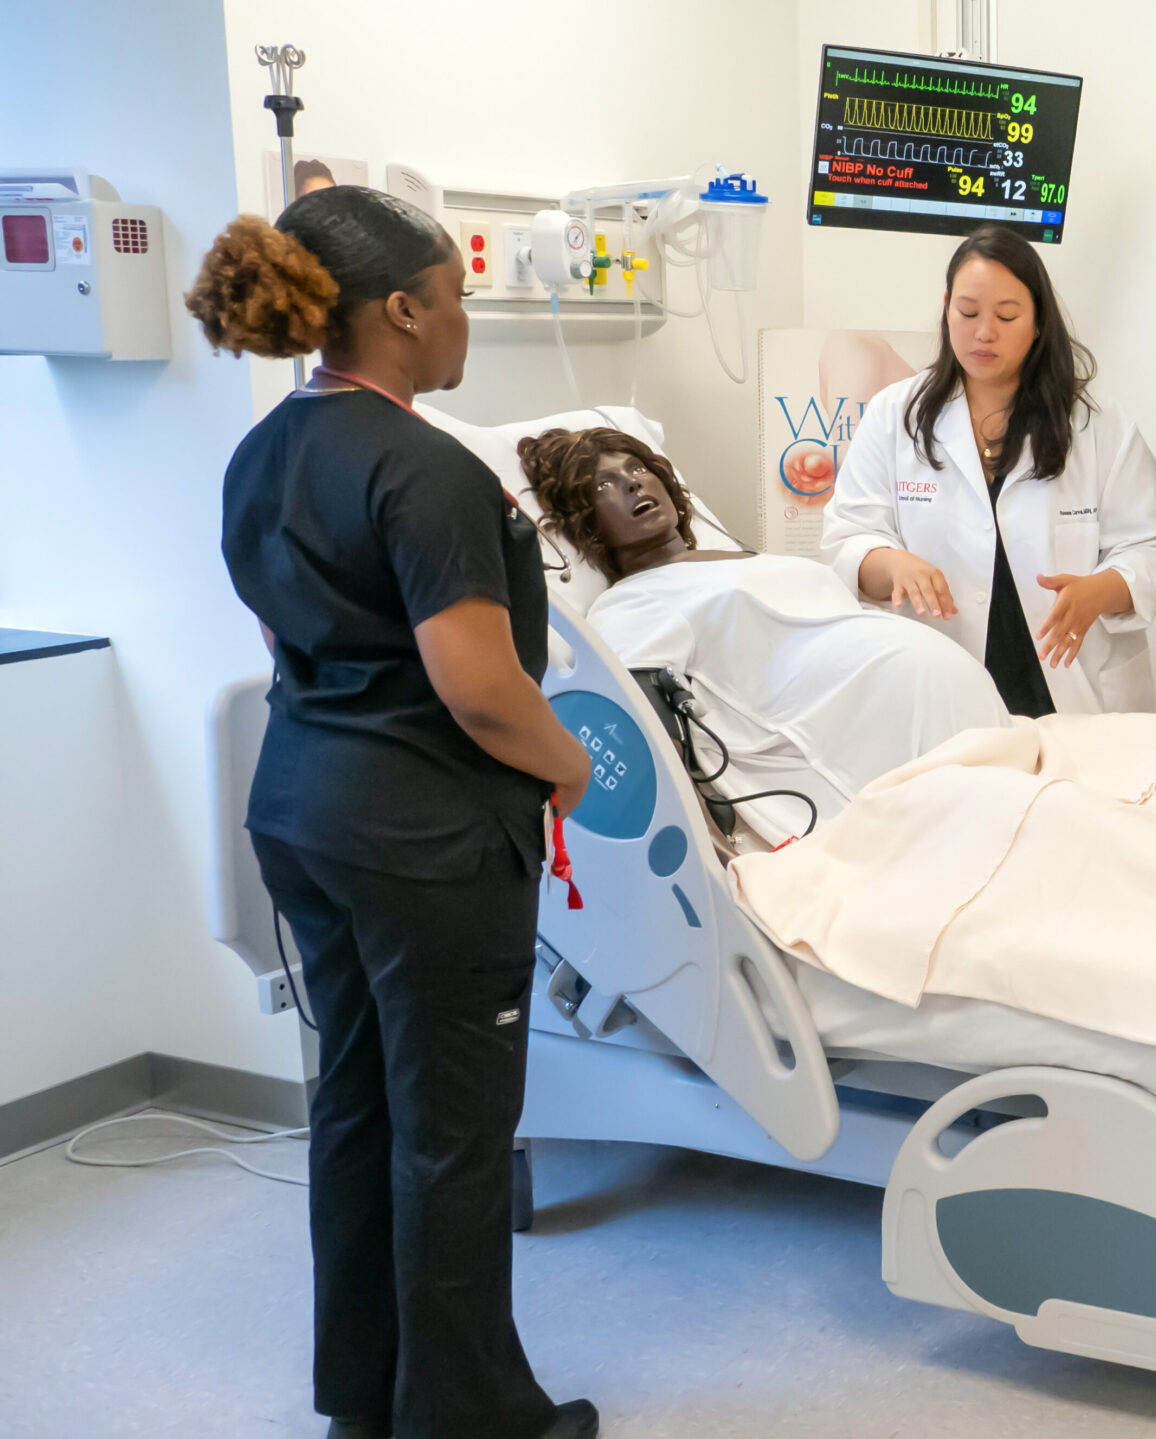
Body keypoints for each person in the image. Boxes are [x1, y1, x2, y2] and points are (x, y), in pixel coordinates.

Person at [187, 187, 601, 1439]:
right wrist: (565, 763)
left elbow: (280, 635)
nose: (467, 317)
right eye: (457, 294)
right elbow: (480, 688)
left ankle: (364, 1396)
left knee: (358, 1107)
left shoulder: (263, 453)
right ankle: (471, 1417)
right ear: (404, 309)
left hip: (303, 811)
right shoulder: (424, 468)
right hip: (425, 841)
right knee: (455, 1136)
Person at [520, 425, 1008, 840]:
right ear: (588, 525)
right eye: (605, 486)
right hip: (868, 764)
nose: (631, 485)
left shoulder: (746, 556)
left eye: (637, 469)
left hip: (948, 724)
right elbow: (646, 736)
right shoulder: (632, 601)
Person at [821, 224, 1156, 716]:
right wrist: (892, 563)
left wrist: (1099, 591)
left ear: (1038, 319)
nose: (983, 332)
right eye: (967, 312)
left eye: (1007, 315)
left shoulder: (1093, 423)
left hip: (1068, 687)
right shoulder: (895, 415)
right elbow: (847, 539)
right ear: (947, 305)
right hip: (939, 686)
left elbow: (1154, 542)